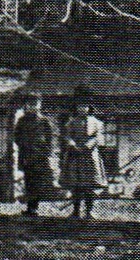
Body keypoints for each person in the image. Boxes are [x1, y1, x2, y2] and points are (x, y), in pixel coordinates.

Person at [59, 87, 106, 219]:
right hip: (75, 157)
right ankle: (76, 211)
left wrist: (87, 146)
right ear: (76, 107)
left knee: (90, 185)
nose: (82, 109)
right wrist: (73, 145)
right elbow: (67, 136)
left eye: (85, 106)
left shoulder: (97, 123)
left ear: (89, 107)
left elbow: (98, 138)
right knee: (76, 184)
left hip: (90, 156)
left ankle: (89, 211)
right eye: (80, 106)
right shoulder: (71, 122)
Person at [13, 92, 58, 217]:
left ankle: (34, 207)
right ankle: (30, 207)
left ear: (39, 105)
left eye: (35, 104)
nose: (33, 107)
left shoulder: (44, 121)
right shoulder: (22, 121)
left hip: (40, 157)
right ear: (26, 105)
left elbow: (50, 139)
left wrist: (45, 151)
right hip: (27, 155)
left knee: (38, 182)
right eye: (30, 104)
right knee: (29, 181)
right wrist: (25, 145)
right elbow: (16, 136)